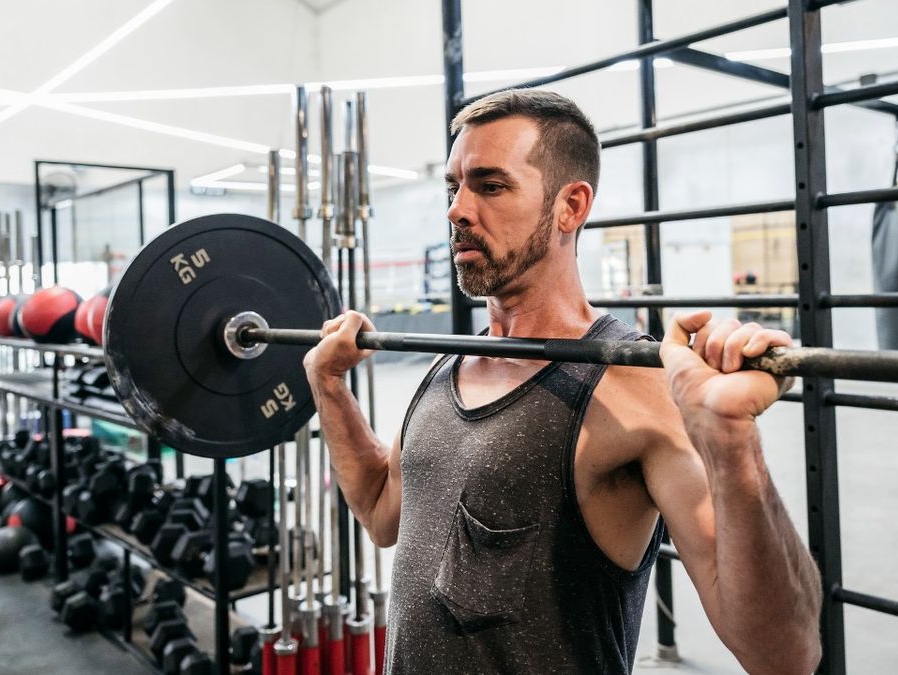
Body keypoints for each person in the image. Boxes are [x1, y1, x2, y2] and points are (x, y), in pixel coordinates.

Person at [304, 89, 822, 674]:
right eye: (453, 187)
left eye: (490, 186)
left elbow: (787, 657)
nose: (457, 210)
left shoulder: (632, 386)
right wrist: (329, 386)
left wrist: (732, 442)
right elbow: (380, 512)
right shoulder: (446, 365)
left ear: (570, 207)